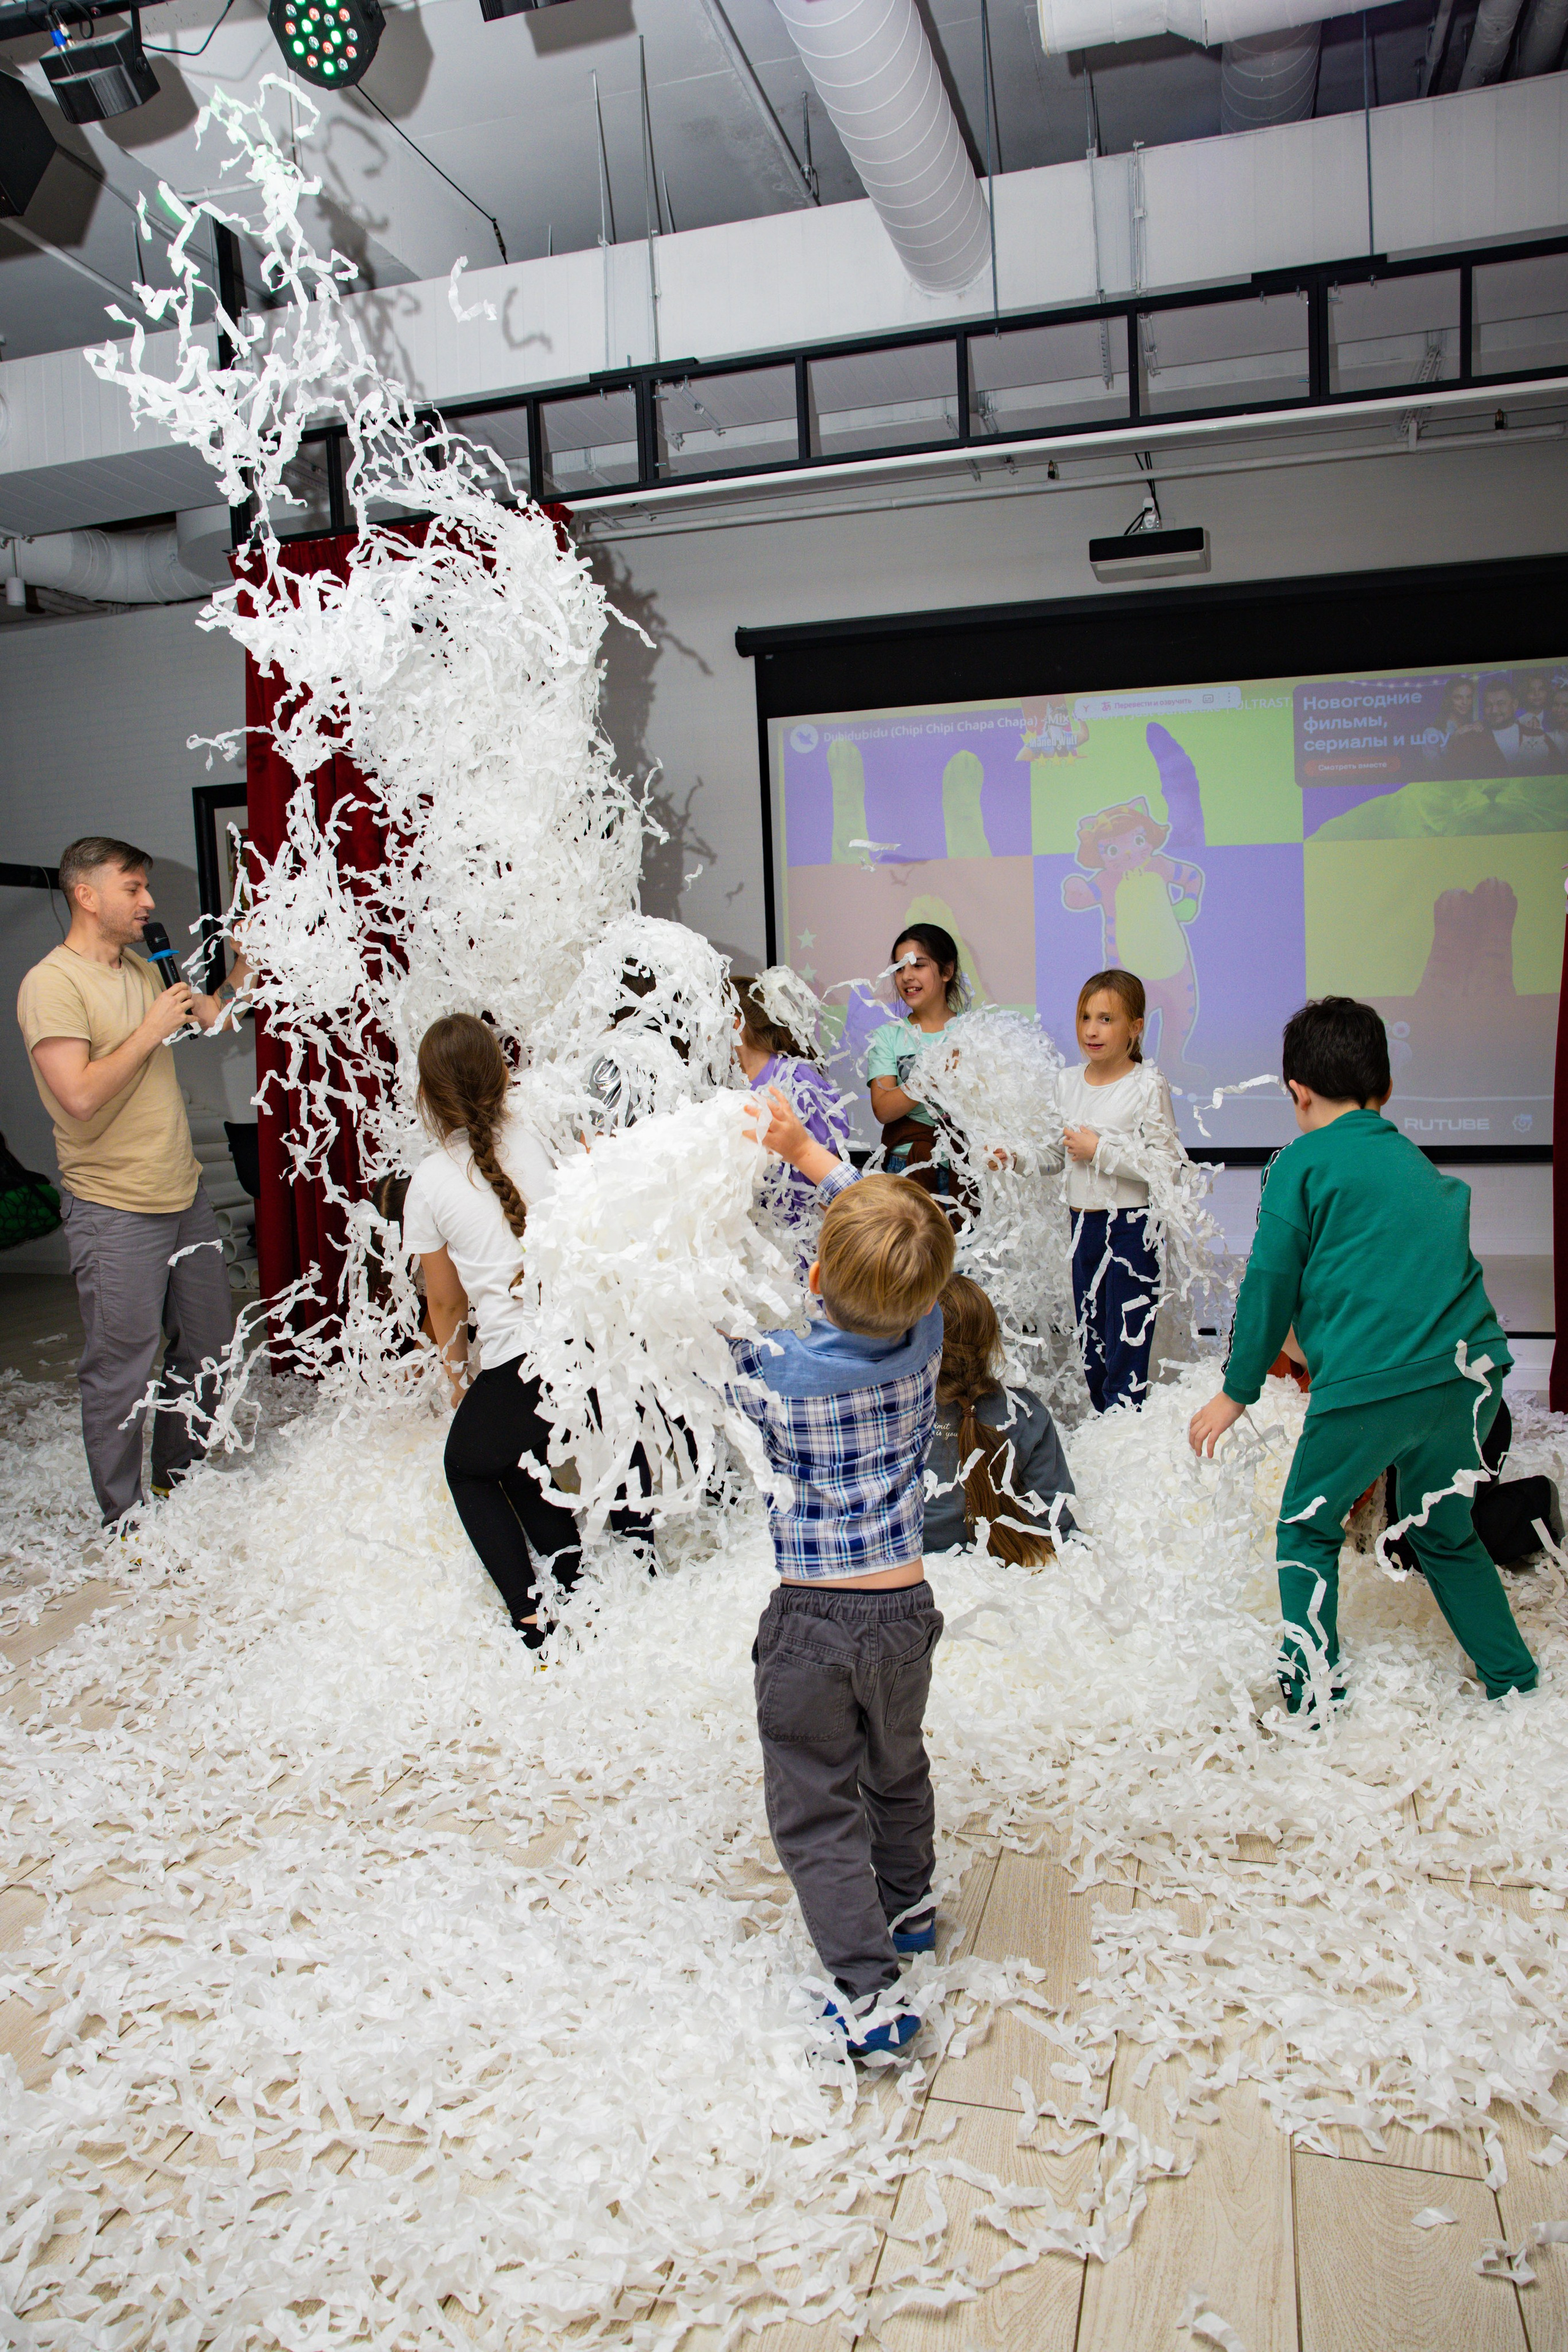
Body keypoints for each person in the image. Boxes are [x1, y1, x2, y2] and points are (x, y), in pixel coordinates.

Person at [1188, 996, 1537, 1717]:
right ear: (1383, 1091)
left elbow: (1269, 1282)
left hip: (1375, 1384)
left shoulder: (1300, 1162)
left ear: (1296, 1092)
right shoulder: (1408, 1156)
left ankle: (1311, 1698)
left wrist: (1238, 1388)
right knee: (1444, 1530)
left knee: (1305, 1527)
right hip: (1470, 1375)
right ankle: (1513, 1679)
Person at [731, 1088, 955, 2060]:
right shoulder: (927, 1336)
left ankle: (869, 1997)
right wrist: (817, 1157)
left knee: (815, 1804)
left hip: (812, 1626)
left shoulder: (771, 1370)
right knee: (895, 1765)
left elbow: (683, 1329)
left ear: (812, 1277)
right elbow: (901, 1226)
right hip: (906, 1609)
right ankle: (908, 1906)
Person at [17, 837, 250, 1526]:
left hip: (183, 1196)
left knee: (207, 1346)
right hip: (112, 1208)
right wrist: (150, 1030)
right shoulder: (51, 984)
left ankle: (180, 1481)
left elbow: (210, 1017)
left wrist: (246, 968)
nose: (149, 902)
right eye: (134, 887)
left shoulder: (144, 968)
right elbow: (79, 1097)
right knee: (121, 1370)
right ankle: (125, 1516)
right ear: (86, 894)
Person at [401, 1013, 580, 1650]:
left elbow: (444, 1307)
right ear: (504, 1077)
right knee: (506, 1452)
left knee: (467, 1465)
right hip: (584, 1347)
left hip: (524, 1359)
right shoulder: (535, 1140)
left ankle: (529, 1612)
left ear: (426, 1095)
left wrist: (456, 1382)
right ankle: (572, 1574)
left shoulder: (428, 1180)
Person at [1053, 968, 1184, 1414]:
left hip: (1131, 1228)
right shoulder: (1067, 1082)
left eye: (1107, 1019)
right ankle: (1105, 1426)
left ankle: (1123, 1425)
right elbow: (1057, 1153)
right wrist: (1012, 1157)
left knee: (1126, 1339)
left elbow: (1167, 1166)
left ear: (1136, 1027)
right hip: (1082, 1226)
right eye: (1085, 1017)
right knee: (1092, 1341)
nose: (1092, 1030)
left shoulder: (1147, 1084)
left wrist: (1101, 1151)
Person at [924, 1273, 1074, 1560]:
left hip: (908, 1573)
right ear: (992, 1339)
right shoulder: (1025, 1412)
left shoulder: (893, 1411)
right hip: (1004, 1574)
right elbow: (1058, 1526)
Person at [730, 976, 851, 1262]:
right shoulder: (725, 1087)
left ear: (735, 1024)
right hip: (752, 1243)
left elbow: (827, 1159)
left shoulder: (794, 1079)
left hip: (799, 1241)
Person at [865, 922, 966, 1194]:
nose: (906, 976)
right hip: (906, 1166)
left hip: (967, 1168)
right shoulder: (888, 1036)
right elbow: (883, 1109)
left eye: (918, 965)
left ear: (947, 971)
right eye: (899, 968)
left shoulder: (973, 1032)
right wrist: (929, 1078)